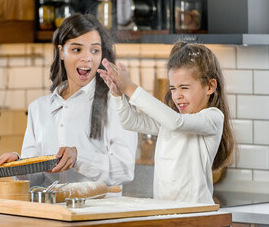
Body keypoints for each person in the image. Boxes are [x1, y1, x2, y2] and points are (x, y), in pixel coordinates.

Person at [0, 13, 137, 188]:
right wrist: (17, 165)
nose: (87, 58)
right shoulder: (39, 109)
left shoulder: (116, 104)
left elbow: (124, 169)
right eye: (77, 49)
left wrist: (79, 158)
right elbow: (35, 181)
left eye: (95, 50)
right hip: (51, 211)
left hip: (97, 213)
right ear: (61, 52)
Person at [98, 41, 236, 204]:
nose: (177, 95)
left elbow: (176, 122)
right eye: (173, 88)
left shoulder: (213, 117)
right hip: (167, 212)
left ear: (210, 87)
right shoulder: (169, 121)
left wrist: (130, 87)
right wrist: (118, 95)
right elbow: (130, 122)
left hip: (196, 215)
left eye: (184, 87)